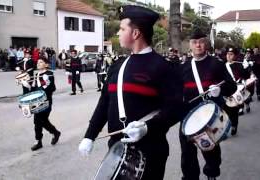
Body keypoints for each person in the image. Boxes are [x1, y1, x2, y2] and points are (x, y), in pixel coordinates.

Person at [78, 5, 183, 180]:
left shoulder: (163, 67)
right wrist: (89, 136)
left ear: (135, 34)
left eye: (122, 29)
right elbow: (104, 104)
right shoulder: (117, 66)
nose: (118, 33)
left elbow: (176, 108)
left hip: (150, 151)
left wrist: (148, 127)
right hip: (118, 151)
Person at [179, 29, 236, 180]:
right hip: (188, 116)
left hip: (209, 117)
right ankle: (190, 177)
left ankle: (211, 174)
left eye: (201, 42)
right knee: (187, 152)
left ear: (207, 44)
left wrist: (220, 89)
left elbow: (232, 86)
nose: (198, 45)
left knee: (211, 150)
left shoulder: (216, 64)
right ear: (189, 45)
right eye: (194, 42)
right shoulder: (182, 67)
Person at [30, 57, 61, 151]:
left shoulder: (49, 74)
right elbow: (34, 89)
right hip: (36, 101)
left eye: (41, 62)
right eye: (38, 62)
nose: (38, 63)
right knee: (41, 121)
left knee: (39, 120)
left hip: (46, 101)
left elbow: (52, 88)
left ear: (46, 65)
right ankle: (54, 133)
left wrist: (44, 82)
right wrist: (27, 84)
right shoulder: (36, 74)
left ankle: (39, 141)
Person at [224, 47, 250, 135]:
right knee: (226, 109)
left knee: (234, 110)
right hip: (226, 91)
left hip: (236, 89)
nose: (228, 56)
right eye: (227, 54)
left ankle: (234, 125)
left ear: (234, 56)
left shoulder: (239, 65)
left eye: (231, 54)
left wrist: (246, 68)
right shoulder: (223, 66)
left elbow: (246, 76)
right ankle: (227, 125)